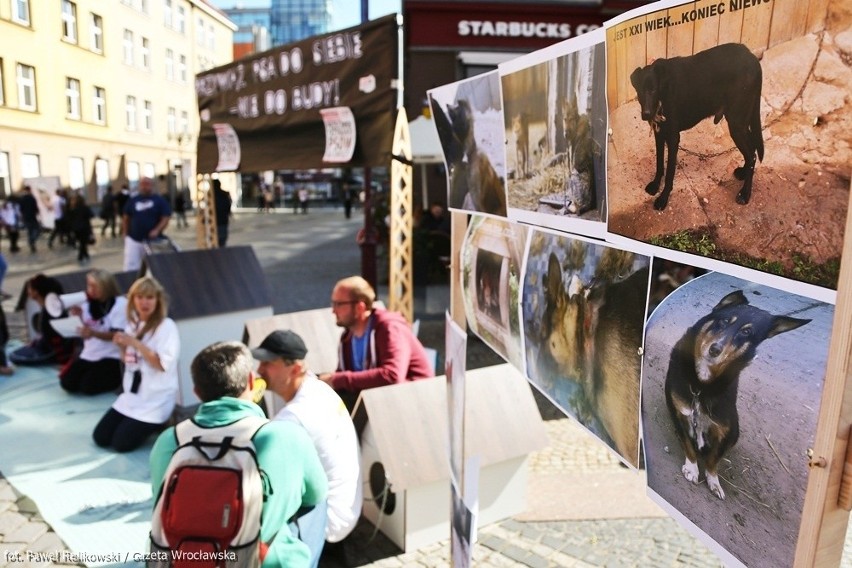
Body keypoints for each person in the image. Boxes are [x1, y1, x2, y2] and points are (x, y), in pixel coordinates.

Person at [150, 341, 327, 565]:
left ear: (197, 392)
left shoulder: (169, 440)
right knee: (317, 503)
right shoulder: (285, 436)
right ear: (252, 382)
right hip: (253, 560)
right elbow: (316, 494)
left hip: (185, 560)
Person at [252, 330, 362, 563]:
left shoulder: (293, 418)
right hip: (347, 505)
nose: (259, 370)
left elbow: (269, 482)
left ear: (296, 368)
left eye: (268, 363)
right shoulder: (318, 388)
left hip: (328, 520)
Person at [318, 276, 434, 410]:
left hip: (414, 404)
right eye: (333, 303)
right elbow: (346, 379)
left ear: (360, 307)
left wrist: (337, 379)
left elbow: (392, 376)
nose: (333, 310)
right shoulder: (347, 337)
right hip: (380, 404)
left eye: (339, 304)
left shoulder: (389, 328)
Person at [93, 276, 179, 452]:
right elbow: (129, 361)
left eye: (149, 298)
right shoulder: (133, 324)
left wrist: (135, 343)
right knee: (100, 437)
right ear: (132, 300)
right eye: (139, 297)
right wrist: (122, 347)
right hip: (133, 395)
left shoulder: (166, 327)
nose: (144, 303)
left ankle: (158, 423)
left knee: (120, 444)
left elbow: (162, 365)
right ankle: (137, 424)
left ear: (158, 300)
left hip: (156, 398)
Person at [59, 269, 128, 395]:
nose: (91, 290)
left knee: (88, 387)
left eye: (95, 286)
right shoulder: (86, 304)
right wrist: (78, 318)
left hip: (111, 356)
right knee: (67, 383)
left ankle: (117, 379)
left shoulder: (121, 305)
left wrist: (94, 333)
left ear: (106, 286)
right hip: (89, 354)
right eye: (89, 285)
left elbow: (117, 335)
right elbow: (85, 329)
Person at [10, 274, 77, 366]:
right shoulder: (49, 308)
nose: (27, 291)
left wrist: (36, 346)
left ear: (36, 292)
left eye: (30, 288)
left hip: (51, 353)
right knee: (16, 353)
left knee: (14, 357)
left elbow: (49, 340)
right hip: (51, 349)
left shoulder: (50, 311)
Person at [122, 177, 171, 271]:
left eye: (147, 184)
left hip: (153, 240)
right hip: (134, 239)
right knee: (131, 266)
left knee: (156, 266)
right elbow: (126, 217)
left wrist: (157, 229)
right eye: (142, 184)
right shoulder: (133, 200)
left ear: (151, 185)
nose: (144, 187)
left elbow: (166, 217)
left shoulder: (159, 200)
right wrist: (125, 232)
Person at [66, 192, 94, 266]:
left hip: (76, 228)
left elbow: (68, 218)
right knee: (83, 242)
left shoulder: (72, 208)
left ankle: (85, 254)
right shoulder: (84, 208)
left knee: (82, 242)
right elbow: (91, 215)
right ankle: (81, 255)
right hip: (84, 227)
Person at [18, 185, 40, 253]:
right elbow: (35, 207)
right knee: (36, 229)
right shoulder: (32, 198)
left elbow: (21, 209)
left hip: (26, 217)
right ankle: (32, 241)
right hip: (32, 217)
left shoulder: (22, 198)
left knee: (30, 231)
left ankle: (31, 242)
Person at [213, 179, 232, 247]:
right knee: (222, 241)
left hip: (215, 221)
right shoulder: (224, 194)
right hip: (223, 220)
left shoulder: (211, 196)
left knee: (215, 240)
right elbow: (228, 205)